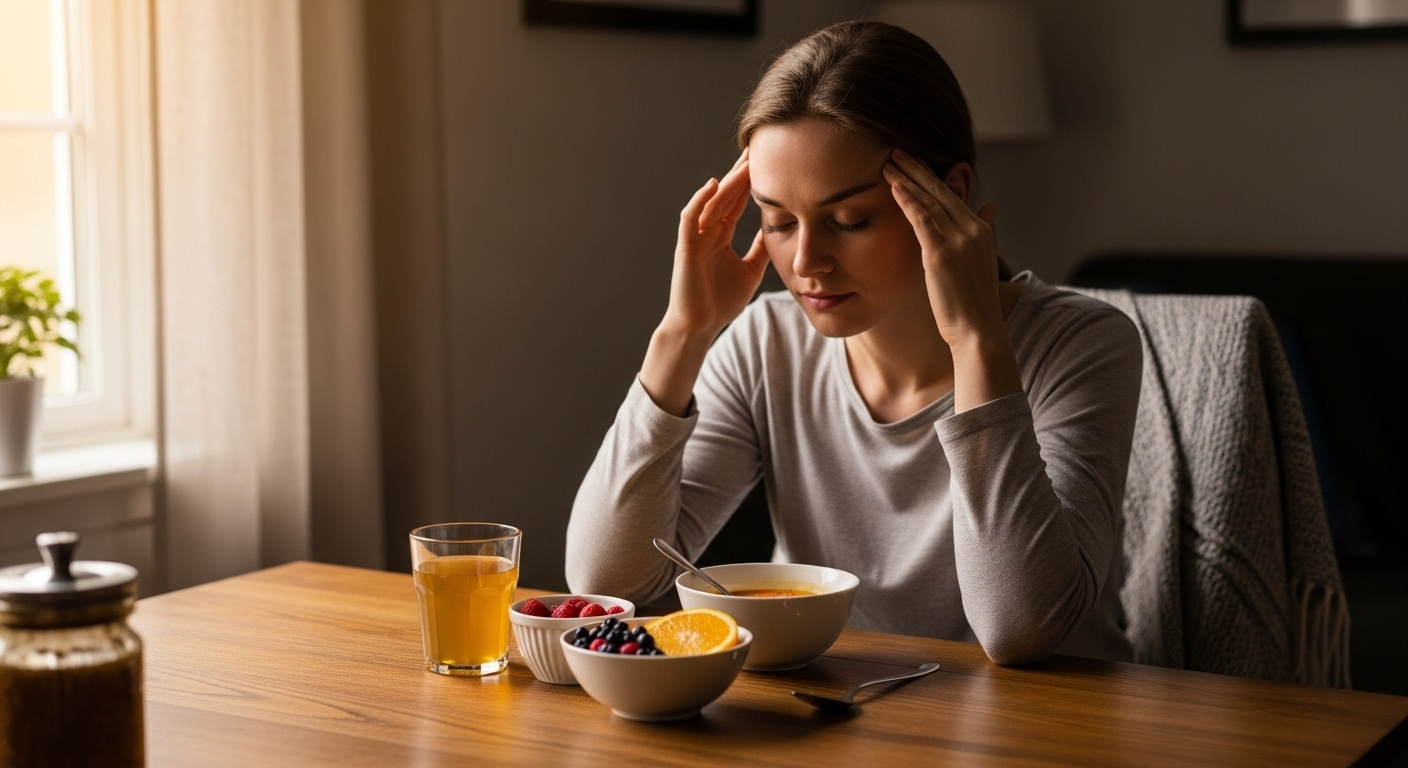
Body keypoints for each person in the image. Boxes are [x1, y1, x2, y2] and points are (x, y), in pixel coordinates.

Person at [565, 20, 1141, 664]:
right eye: (778, 221)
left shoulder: (1083, 345)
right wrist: (683, 332)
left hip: (1047, 716)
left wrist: (975, 339)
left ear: (948, 196)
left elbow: (1020, 630)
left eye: (848, 220)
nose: (806, 261)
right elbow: (608, 584)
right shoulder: (764, 345)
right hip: (839, 705)